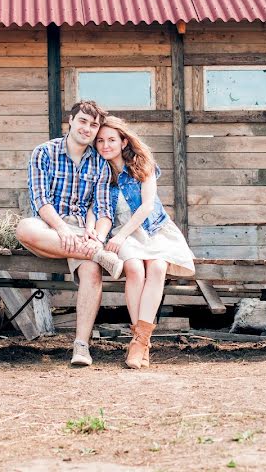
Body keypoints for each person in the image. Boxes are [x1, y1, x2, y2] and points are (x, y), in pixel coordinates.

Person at [16, 101, 125, 367]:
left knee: (91, 271)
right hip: (49, 225)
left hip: (82, 229)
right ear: (71, 121)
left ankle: (81, 346)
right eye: (83, 122)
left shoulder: (99, 162)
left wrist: (97, 237)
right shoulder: (44, 152)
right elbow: (40, 200)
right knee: (23, 228)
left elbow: (103, 211)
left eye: (93, 125)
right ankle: (99, 255)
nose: (87, 129)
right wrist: (62, 229)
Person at [87, 116, 195, 369]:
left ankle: (140, 342)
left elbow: (147, 206)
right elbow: (94, 207)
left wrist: (123, 234)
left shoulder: (142, 164)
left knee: (157, 267)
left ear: (124, 141)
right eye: (100, 140)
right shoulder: (98, 172)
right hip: (119, 233)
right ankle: (141, 341)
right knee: (134, 269)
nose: (105, 145)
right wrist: (92, 229)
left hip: (153, 229)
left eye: (111, 139)